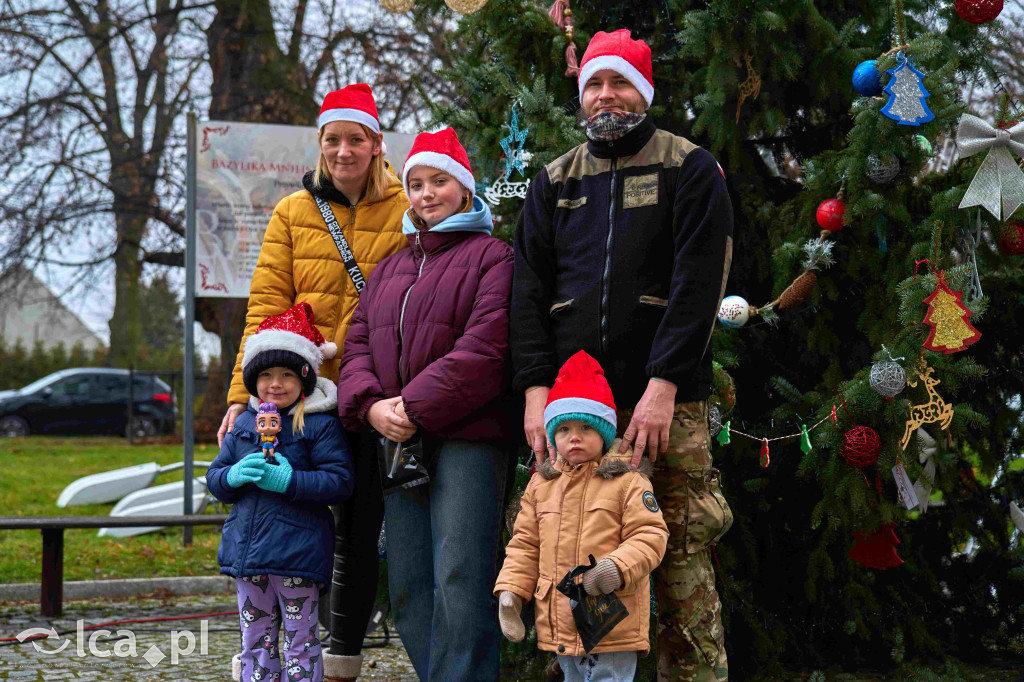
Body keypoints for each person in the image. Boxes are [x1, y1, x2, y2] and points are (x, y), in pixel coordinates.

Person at [511, 29, 735, 681]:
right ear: (582, 98)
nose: (607, 97)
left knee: (680, 562)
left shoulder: (690, 168)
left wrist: (663, 385)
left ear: (645, 90)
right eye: (596, 85)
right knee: (571, 563)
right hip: (572, 416)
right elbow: (527, 290)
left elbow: (699, 284)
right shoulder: (553, 181)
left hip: (667, 404)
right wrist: (534, 390)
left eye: (620, 83)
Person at [216, 83, 409, 682]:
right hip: (302, 400)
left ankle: (340, 655)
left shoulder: (407, 206)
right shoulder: (292, 212)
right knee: (290, 515)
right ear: (319, 145)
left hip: (375, 393)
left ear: (377, 145)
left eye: (356, 139)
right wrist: (238, 396)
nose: (344, 151)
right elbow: (265, 305)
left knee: (360, 521)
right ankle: (273, 646)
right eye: (333, 139)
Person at [337, 127, 514, 680]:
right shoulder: (390, 268)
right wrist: (370, 408)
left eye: (439, 181)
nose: (425, 194)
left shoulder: (495, 258)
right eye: (415, 184)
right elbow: (356, 346)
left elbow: (486, 348)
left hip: (468, 441)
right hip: (396, 443)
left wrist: (411, 406)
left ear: (464, 188)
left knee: (461, 575)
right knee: (411, 582)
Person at [495, 351, 668, 682]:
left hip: (611, 619)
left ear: (604, 432)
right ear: (552, 435)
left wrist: (615, 568)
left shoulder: (627, 482)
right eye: (564, 428)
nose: (574, 437)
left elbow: (651, 536)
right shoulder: (541, 486)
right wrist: (512, 592)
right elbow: (524, 545)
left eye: (586, 427)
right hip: (561, 622)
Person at [207, 303, 354, 682]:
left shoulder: (319, 424)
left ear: (304, 379)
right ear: (253, 380)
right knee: (255, 640)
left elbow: (339, 481)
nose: (276, 382)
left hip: (296, 558)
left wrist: (290, 481)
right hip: (248, 557)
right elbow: (216, 480)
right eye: (267, 374)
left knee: (300, 642)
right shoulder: (243, 424)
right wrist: (234, 475)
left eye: (287, 374)